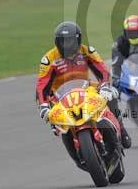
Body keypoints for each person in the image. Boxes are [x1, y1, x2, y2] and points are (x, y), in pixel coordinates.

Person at [36, 22, 132, 167]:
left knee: (110, 94)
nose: (67, 45)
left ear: (78, 40)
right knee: (58, 122)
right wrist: (43, 106)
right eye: (63, 42)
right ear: (57, 42)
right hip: (60, 96)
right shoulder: (49, 59)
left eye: (71, 41)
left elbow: (102, 70)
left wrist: (104, 85)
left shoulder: (87, 51)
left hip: (85, 88)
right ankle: (76, 155)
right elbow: (42, 84)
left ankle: (121, 129)